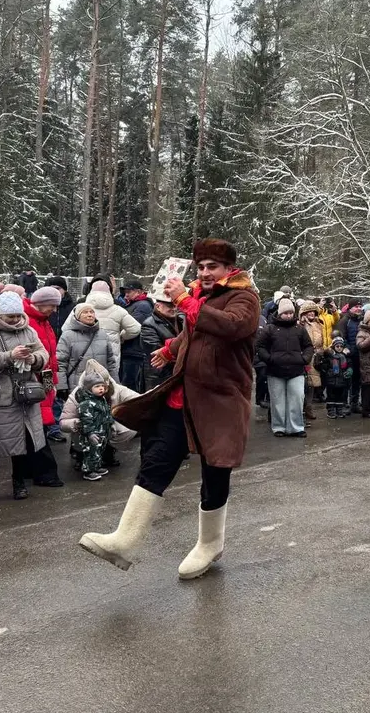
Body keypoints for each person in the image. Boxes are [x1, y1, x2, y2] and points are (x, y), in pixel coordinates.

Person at [79, 238, 260, 578]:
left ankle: (210, 543)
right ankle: (124, 540)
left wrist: (182, 299)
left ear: (229, 269)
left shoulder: (244, 296)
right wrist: (172, 349)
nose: (205, 272)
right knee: (158, 457)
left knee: (215, 471)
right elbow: (197, 334)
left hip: (220, 401)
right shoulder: (201, 296)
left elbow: (231, 327)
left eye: (213, 267)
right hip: (183, 395)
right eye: (201, 266)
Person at [0, 291, 54, 502]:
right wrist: (9, 356)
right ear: (0, 313)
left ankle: (19, 483)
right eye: (11, 316)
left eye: (18, 315)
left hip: (24, 396)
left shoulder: (28, 330)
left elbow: (44, 354)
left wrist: (33, 359)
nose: (15, 320)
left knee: (23, 443)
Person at [61, 280, 139, 380]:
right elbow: (135, 328)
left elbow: (66, 329)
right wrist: (122, 336)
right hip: (108, 356)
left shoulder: (81, 308)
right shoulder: (118, 310)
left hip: (80, 355)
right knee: (106, 384)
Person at [257, 298, 313, 437]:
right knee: (277, 400)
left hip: (296, 370)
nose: (288, 315)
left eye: (290, 313)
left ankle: (296, 427)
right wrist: (269, 359)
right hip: (275, 370)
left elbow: (308, 346)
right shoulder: (269, 329)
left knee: (297, 398)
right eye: (286, 313)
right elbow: (260, 346)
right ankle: (279, 427)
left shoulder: (299, 329)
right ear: (280, 313)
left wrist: (304, 359)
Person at [24, 286, 65, 443]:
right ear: (41, 303)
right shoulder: (27, 321)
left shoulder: (44, 321)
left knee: (45, 415)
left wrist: (52, 382)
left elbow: (51, 354)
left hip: (45, 377)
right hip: (33, 381)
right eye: (52, 305)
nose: (54, 310)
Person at [56, 304, 117, 396]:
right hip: (77, 386)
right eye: (85, 312)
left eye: (92, 312)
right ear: (77, 316)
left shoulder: (102, 334)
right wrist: (61, 386)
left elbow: (111, 362)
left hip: (101, 387)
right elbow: (60, 363)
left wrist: (116, 384)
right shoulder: (67, 336)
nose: (90, 315)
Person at [71, 362, 114, 481]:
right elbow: (86, 420)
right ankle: (88, 470)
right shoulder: (86, 404)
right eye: (97, 386)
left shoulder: (102, 400)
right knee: (90, 452)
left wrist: (111, 425)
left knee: (99, 451)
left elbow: (107, 413)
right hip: (92, 433)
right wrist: (90, 433)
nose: (101, 388)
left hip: (102, 431)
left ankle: (96, 467)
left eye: (102, 386)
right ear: (89, 389)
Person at [141, 295, 184, 390]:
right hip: (160, 376)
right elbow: (156, 353)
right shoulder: (149, 325)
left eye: (175, 305)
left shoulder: (181, 320)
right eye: (170, 306)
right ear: (158, 306)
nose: (174, 308)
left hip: (178, 373)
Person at [118, 281, 153, 391]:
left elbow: (134, 326)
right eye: (125, 292)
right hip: (131, 351)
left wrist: (121, 336)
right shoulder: (135, 304)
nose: (126, 294)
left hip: (135, 352)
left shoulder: (143, 306)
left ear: (139, 292)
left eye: (129, 291)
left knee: (130, 385)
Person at [337, 300, 365, 414]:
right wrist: (347, 349)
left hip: (360, 355)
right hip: (348, 355)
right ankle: (343, 404)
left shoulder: (362, 321)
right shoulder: (344, 321)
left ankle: (354, 403)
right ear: (350, 308)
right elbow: (341, 337)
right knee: (346, 380)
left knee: (357, 380)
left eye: (360, 306)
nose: (358, 308)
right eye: (356, 307)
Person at [299, 301, 326, 416]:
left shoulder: (318, 324)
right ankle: (300, 409)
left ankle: (309, 408)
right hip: (304, 357)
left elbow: (321, 342)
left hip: (315, 358)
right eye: (308, 311)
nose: (311, 313)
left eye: (313, 311)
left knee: (311, 385)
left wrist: (322, 351)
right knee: (302, 384)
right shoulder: (300, 325)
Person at [317, 336, 353, 418]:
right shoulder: (329, 357)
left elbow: (350, 365)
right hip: (331, 380)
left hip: (342, 380)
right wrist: (326, 371)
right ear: (334, 347)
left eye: (341, 346)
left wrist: (350, 370)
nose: (339, 348)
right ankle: (331, 411)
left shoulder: (346, 357)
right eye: (337, 346)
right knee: (331, 397)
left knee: (340, 396)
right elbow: (323, 366)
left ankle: (339, 410)